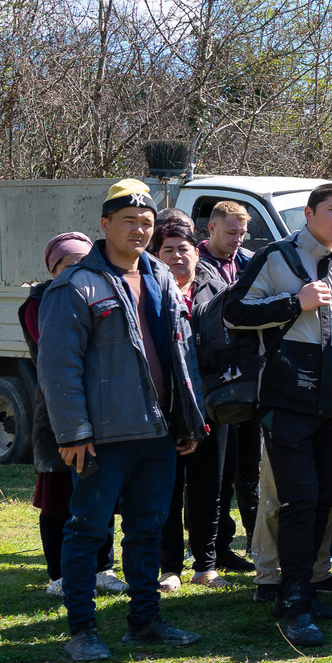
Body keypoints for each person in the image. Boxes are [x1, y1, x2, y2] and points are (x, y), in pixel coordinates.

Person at [34, 180, 210, 663]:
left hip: (159, 431)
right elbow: (57, 366)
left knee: (148, 529)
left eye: (146, 223)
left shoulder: (158, 275)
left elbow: (181, 351)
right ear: (105, 225)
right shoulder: (75, 285)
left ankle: (144, 621)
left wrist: (188, 421)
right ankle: (82, 629)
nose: (138, 229)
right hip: (102, 436)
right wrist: (73, 432)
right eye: (128, 221)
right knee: (87, 530)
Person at [226, 180, 332, 646]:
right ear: (308, 214)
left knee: (326, 501)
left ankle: (304, 591)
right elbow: (233, 312)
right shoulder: (277, 257)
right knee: (300, 500)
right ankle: (290, 603)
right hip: (289, 400)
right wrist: (295, 302)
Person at [24, 231, 120, 601]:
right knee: (58, 497)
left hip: (101, 412)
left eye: (83, 261)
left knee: (102, 493)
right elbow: (64, 353)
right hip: (56, 414)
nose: (77, 269)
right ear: (53, 268)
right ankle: (59, 574)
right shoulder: (39, 302)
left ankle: (104, 569)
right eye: (68, 263)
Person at [149, 220, 226, 590]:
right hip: (165, 404)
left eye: (184, 249)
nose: (177, 256)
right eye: (168, 250)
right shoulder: (149, 290)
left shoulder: (218, 286)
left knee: (208, 486)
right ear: (156, 256)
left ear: (198, 251)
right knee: (167, 486)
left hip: (211, 402)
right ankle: (169, 567)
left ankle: (205, 564)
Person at [196, 199, 259, 570]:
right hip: (214, 379)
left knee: (250, 467)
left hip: (249, 377)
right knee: (217, 474)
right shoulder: (194, 264)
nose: (237, 239)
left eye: (242, 232)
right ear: (212, 229)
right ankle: (213, 549)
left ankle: (256, 543)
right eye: (231, 232)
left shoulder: (250, 263)